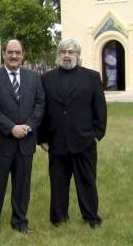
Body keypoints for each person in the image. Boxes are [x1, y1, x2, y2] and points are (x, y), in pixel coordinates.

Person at [39, 38, 107, 229]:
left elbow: (100, 110)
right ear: (58, 55)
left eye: (70, 52)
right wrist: (42, 138)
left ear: (78, 55)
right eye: (63, 52)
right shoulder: (46, 79)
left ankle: (91, 217)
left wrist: (96, 134)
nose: (66, 55)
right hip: (56, 141)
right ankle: (59, 219)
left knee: (87, 182)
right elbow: (42, 110)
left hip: (84, 141)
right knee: (58, 183)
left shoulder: (92, 77)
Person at [0, 39, 45, 235]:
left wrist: (28, 126)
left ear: (23, 54)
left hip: (25, 142)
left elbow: (40, 103)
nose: (14, 56)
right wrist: (11, 128)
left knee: (22, 186)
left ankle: (20, 222)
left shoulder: (34, 77)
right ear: (4, 54)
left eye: (17, 52)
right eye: (10, 52)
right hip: (1, 142)